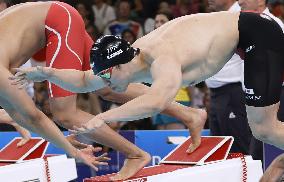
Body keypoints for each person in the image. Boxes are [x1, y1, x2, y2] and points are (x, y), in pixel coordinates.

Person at [16, 10, 284, 154]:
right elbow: (85, 80)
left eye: (107, 75)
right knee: (266, 129)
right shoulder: (128, 60)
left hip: (256, 35)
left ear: (118, 65)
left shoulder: (161, 58)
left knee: (264, 129)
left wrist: (103, 119)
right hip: (243, 38)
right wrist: (47, 73)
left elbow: (157, 102)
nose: (104, 83)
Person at [3, 1, 206, 180]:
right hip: (57, 16)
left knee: (65, 114)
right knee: (106, 86)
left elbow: (32, 116)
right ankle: (189, 114)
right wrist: (62, 140)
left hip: (55, 24)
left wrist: (72, 151)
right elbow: (16, 111)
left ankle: (135, 154)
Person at [206, 0, 252, 155]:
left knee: (239, 150)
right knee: (219, 153)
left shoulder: (240, 17)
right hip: (215, 94)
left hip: (234, 93)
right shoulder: (214, 18)